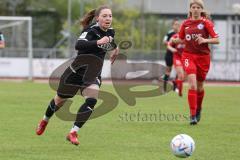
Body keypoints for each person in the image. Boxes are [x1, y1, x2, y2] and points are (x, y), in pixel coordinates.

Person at [36, 5, 119, 145]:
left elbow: (108, 43)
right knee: (59, 101)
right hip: (76, 72)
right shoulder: (90, 30)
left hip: (92, 74)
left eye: (110, 16)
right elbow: (79, 45)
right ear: (97, 18)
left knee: (92, 100)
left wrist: (115, 49)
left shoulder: (111, 31)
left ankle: (73, 132)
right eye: (104, 16)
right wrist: (99, 42)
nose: (108, 18)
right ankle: (45, 120)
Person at [172, 0, 219, 125]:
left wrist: (204, 40)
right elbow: (181, 38)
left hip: (203, 58)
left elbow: (217, 39)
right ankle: (192, 115)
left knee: (199, 87)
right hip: (188, 56)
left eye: (198, 7)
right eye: (194, 7)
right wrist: (175, 41)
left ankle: (199, 109)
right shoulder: (185, 24)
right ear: (190, 9)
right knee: (192, 84)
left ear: (201, 9)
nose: (196, 9)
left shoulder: (206, 23)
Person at [162, 19, 181, 92]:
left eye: (178, 24)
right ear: (172, 25)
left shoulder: (181, 33)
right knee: (168, 71)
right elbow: (164, 42)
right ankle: (164, 88)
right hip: (170, 54)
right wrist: (170, 44)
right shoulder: (169, 33)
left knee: (179, 71)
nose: (177, 26)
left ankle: (175, 87)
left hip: (178, 55)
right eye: (175, 24)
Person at [167, 29, 185, 97]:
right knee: (181, 75)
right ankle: (180, 92)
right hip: (177, 58)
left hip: (185, 58)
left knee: (183, 78)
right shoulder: (175, 36)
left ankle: (175, 82)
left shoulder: (188, 37)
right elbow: (168, 45)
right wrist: (172, 49)